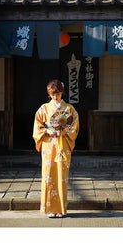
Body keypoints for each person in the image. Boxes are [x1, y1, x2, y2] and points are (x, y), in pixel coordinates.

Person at [33, 79, 79, 218]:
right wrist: (49, 132)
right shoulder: (44, 109)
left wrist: (64, 131)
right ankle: (50, 209)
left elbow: (74, 126)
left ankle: (61, 209)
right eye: (52, 94)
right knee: (48, 175)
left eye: (57, 94)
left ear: (62, 93)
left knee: (62, 176)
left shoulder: (69, 109)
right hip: (48, 145)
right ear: (49, 94)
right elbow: (37, 127)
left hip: (62, 145)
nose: (55, 97)